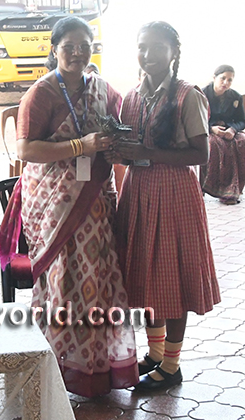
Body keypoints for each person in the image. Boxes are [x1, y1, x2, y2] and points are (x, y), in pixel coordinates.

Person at [0, 16, 138, 397]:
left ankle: (96, 368)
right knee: (64, 283)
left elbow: (123, 130)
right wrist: (81, 146)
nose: (77, 53)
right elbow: (26, 150)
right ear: (54, 50)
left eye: (84, 46)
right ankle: (58, 368)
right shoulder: (42, 93)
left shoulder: (103, 89)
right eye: (68, 47)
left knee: (98, 281)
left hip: (96, 202)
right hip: (53, 205)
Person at [111, 21, 220, 390]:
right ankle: (156, 355)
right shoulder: (132, 97)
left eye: (158, 47)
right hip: (138, 190)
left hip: (174, 194)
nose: (148, 55)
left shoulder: (188, 96)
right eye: (142, 47)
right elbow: (129, 146)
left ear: (175, 52)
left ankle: (171, 366)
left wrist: (148, 152)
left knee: (172, 278)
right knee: (148, 276)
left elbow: (201, 153)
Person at [201, 64, 245, 204]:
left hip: (228, 131)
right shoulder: (202, 94)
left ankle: (233, 189)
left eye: (230, 80)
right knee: (216, 145)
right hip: (207, 130)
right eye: (223, 78)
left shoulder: (235, 96)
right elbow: (196, 118)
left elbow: (241, 120)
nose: (226, 82)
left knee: (242, 142)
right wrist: (211, 128)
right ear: (214, 77)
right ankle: (217, 189)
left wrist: (232, 130)